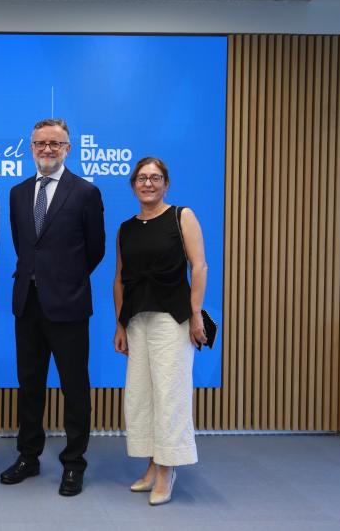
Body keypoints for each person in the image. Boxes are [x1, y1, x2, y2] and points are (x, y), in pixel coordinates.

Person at [1, 118, 105, 496]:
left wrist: (64, 280)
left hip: (69, 305)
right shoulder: (16, 193)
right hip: (27, 305)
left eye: (55, 144)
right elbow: (24, 246)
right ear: (31, 147)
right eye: (40, 143)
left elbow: (95, 249)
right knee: (29, 386)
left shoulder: (85, 193)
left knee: (74, 387)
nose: (47, 149)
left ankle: (73, 464)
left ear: (67, 149)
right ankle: (29, 457)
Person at [112, 157, 207, 506]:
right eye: (141, 178)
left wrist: (196, 314)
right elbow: (120, 278)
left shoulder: (182, 216)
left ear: (166, 183)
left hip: (173, 318)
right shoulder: (126, 228)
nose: (147, 183)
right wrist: (120, 323)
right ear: (133, 185)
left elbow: (199, 265)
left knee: (170, 393)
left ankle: (168, 469)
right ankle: (153, 462)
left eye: (154, 178)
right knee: (142, 395)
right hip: (137, 320)